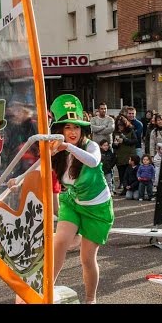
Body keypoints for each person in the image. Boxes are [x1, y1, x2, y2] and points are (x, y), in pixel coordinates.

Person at [49, 93, 114, 304]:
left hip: (98, 208)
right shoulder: (54, 150)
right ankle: (46, 291)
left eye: (76, 127)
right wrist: (18, 180)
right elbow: (36, 168)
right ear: (60, 130)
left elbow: (94, 162)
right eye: (67, 127)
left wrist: (67, 147)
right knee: (59, 242)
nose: (72, 132)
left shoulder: (91, 146)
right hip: (72, 202)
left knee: (86, 259)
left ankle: (90, 299)